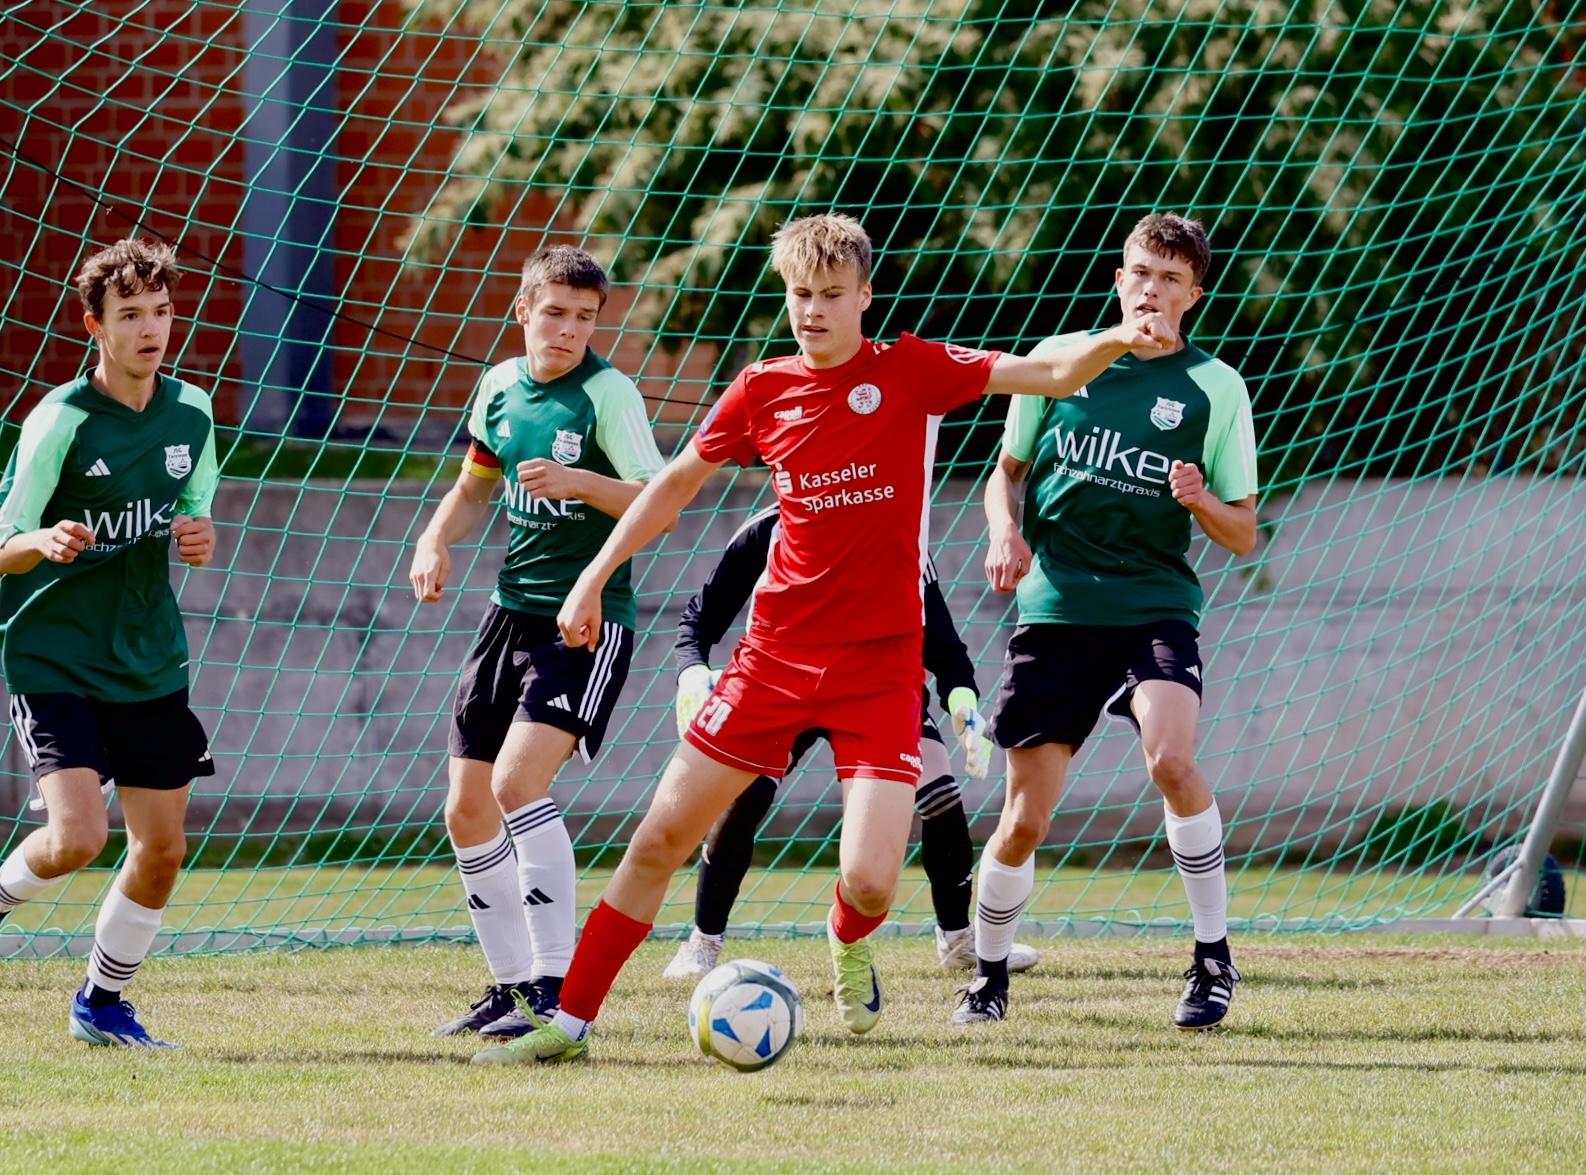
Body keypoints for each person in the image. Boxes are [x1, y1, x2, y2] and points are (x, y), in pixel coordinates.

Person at [472, 212, 1166, 1064]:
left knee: (871, 882)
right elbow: (672, 486)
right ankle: (569, 1024)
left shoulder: (910, 369)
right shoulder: (761, 389)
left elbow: (1050, 371)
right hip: (771, 661)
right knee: (657, 840)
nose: (812, 310)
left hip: (881, 670)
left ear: (865, 296)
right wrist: (593, 575)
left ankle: (845, 933)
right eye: (801, 294)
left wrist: (1121, 337)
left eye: (832, 294)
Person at [952, 213, 1258, 1031]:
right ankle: (987, 977)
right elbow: (1004, 473)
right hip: (1056, 611)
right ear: (1119, 280)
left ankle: (1213, 958)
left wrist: (1201, 500)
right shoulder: (1062, 359)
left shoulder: (1215, 387)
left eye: (1170, 279)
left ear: (1193, 296)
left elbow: (1243, 531)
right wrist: (1003, 530)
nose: (1151, 290)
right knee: (1025, 820)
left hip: (1153, 606)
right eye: (1140, 273)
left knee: (1172, 760)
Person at [0, 237, 220, 1049]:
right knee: (80, 837)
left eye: (160, 312)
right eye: (130, 315)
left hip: (148, 652)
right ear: (95, 325)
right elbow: (0, 548)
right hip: (55, 653)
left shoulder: (192, 412)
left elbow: (194, 513)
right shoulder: (59, 419)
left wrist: (199, 537)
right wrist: (45, 539)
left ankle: (101, 1001)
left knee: (162, 848)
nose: (150, 329)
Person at [409, 244, 666, 1039]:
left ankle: (556, 988)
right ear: (523, 311)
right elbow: (474, 486)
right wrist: (435, 538)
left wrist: (582, 483)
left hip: (587, 618)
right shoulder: (498, 387)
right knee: (465, 807)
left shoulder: (608, 395)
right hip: (509, 615)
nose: (568, 330)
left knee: (518, 782)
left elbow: (658, 502)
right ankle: (512, 987)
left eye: (585, 317)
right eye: (554, 312)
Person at [661, 504, 1041, 976]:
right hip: (786, 685)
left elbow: (944, 647)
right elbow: (698, 620)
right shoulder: (769, 529)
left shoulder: (900, 533)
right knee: (745, 794)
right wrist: (691, 673)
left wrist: (963, 701)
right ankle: (704, 940)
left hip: (876, 691)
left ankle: (958, 938)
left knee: (940, 794)